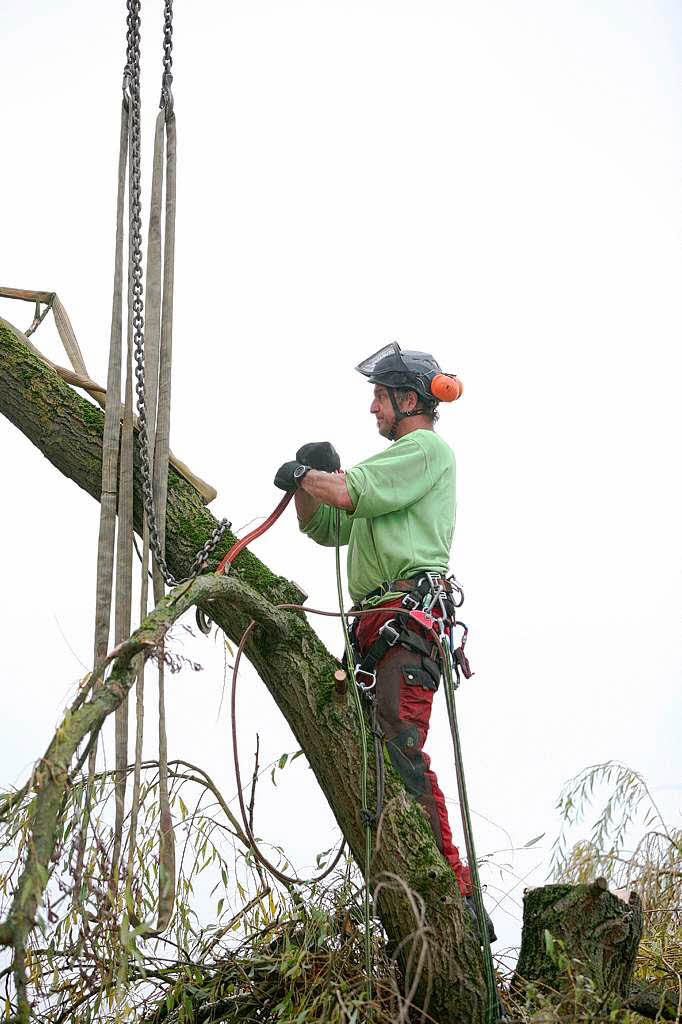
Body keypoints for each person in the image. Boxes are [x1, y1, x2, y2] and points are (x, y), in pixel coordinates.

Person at [274, 342, 493, 936]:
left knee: (399, 744)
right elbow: (329, 525)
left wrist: (315, 477)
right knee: (372, 757)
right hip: (376, 629)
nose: (373, 408)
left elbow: (346, 493)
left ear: (408, 399)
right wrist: (306, 486)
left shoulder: (426, 450)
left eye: (380, 396)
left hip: (405, 623)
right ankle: (418, 889)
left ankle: (456, 894)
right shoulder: (391, 473)